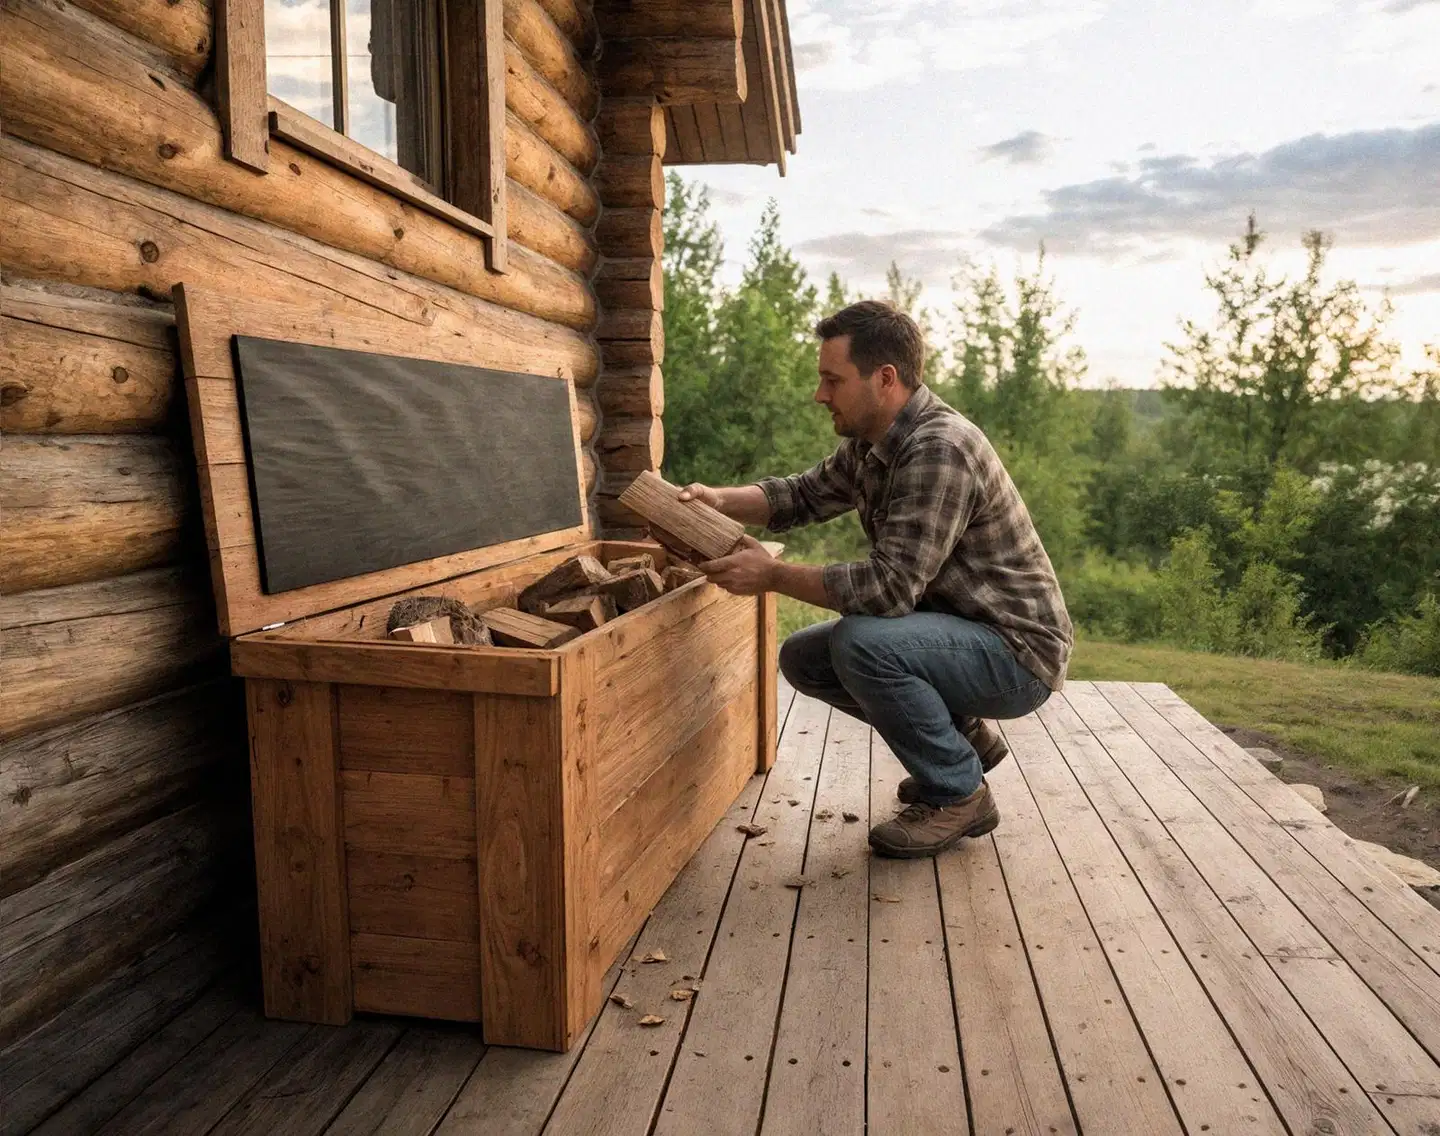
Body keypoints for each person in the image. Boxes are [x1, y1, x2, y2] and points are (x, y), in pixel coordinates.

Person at [682, 300, 1073, 859]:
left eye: (831, 379)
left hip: (1016, 654)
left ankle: (958, 794)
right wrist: (717, 500)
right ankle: (961, 745)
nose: (820, 394)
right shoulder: (873, 443)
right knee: (804, 658)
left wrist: (770, 574)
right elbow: (801, 495)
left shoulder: (939, 449)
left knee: (862, 644)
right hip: (960, 632)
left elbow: (888, 589)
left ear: (884, 378)